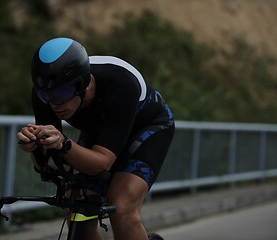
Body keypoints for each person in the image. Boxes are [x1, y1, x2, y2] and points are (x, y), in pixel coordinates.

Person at [17, 37, 174, 240]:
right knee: (78, 208)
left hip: (146, 126)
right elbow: (49, 165)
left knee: (121, 206)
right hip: (101, 129)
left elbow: (101, 164)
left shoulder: (120, 83)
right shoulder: (45, 95)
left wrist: (64, 143)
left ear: (86, 83)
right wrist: (34, 146)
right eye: (47, 96)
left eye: (63, 93)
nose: (55, 103)